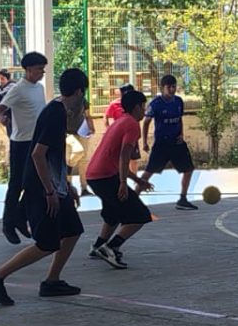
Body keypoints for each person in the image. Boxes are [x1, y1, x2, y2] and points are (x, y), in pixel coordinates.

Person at [0, 69, 89, 305]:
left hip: (53, 183)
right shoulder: (55, 114)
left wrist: (65, 185)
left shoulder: (58, 110)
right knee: (47, 243)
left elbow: (53, 157)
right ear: (78, 91)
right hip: (41, 185)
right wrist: (49, 191)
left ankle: (52, 281)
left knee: (72, 230)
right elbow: (38, 155)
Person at [85, 88, 154, 270]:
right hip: (106, 177)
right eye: (143, 107)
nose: (145, 111)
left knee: (112, 215)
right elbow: (124, 156)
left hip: (96, 176)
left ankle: (98, 246)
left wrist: (138, 181)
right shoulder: (131, 124)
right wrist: (123, 183)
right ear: (137, 107)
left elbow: (116, 160)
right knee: (140, 215)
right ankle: (111, 247)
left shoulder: (120, 121)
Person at [0, 53, 48, 243]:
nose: (41, 73)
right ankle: (8, 223)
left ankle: (19, 215)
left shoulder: (40, 88)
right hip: (21, 143)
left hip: (37, 142)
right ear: (28, 70)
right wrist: (2, 119)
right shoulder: (18, 89)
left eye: (43, 69)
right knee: (17, 184)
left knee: (36, 183)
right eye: (38, 69)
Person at [140, 74, 198, 211]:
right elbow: (146, 122)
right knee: (149, 171)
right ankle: (133, 199)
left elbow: (179, 119)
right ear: (162, 88)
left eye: (174, 86)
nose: (172, 89)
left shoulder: (178, 101)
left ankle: (183, 199)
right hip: (162, 143)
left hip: (176, 142)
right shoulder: (156, 104)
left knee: (188, 169)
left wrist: (181, 134)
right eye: (169, 87)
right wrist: (144, 142)